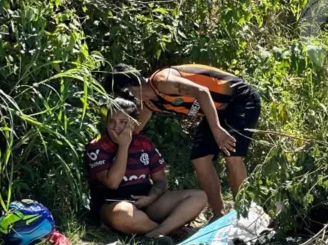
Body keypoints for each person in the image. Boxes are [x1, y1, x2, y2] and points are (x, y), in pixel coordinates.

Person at [103, 63, 261, 219]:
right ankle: (218, 215)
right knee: (200, 159)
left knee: (232, 155)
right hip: (215, 108)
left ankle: (245, 213)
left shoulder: (162, 81)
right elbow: (134, 131)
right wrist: (111, 147)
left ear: (127, 89)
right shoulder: (149, 102)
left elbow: (202, 91)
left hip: (240, 98)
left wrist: (217, 129)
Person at [85, 98, 207, 245]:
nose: (116, 127)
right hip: (114, 204)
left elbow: (161, 181)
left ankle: (156, 232)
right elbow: (112, 183)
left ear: (133, 123)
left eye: (123, 122)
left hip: (146, 201)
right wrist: (123, 146)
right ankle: (174, 231)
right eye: (112, 121)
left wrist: (150, 198)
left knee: (199, 196)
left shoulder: (144, 143)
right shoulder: (97, 146)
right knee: (123, 214)